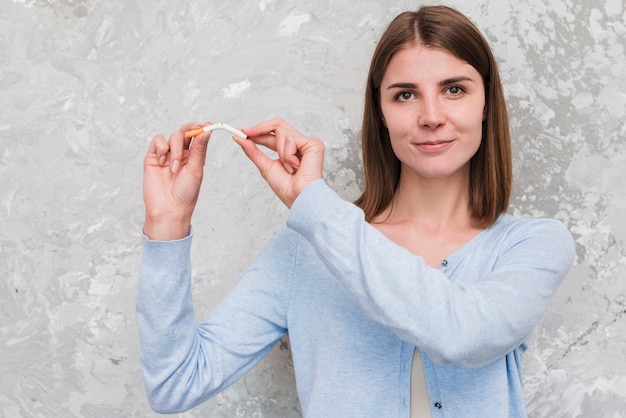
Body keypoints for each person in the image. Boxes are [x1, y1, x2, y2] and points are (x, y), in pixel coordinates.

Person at [137, 5, 575, 417]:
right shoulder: (303, 252)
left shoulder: (531, 245)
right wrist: (166, 227)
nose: (431, 116)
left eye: (454, 89)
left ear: (486, 104)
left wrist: (313, 203)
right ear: (381, 113)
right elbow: (176, 383)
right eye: (405, 95)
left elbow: (462, 333)